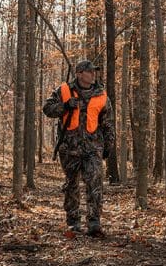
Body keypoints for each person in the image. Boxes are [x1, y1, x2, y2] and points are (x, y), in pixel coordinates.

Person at [42, 60, 115, 236]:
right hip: (69, 148)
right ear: (80, 73)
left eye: (94, 72)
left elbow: (108, 123)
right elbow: (47, 109)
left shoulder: (101, 95)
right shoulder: (64, 91)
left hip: (93, 148)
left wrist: (108, 145)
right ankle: (73, 222)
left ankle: (94, 223)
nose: (93, 75)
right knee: (71, 185)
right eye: (90, 72)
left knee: (95, 183)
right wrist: (65, 106)